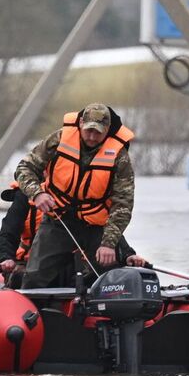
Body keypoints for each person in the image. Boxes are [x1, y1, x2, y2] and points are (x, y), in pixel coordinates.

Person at [13, 103, 138, 289]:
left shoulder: (119, 156)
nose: (92, 137)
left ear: (107, 131)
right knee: (35, 277)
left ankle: (102, 314)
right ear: (80, 123)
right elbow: (25, 168)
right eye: (89, 131)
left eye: (98, 133)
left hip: (96, 226)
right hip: (58, 221)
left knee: (110, 279)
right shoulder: (59, 140)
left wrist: (109, 244)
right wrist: (37, 193)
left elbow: (123, 204)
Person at [0, 182, 146, 287]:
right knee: (24, 278)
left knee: (102, 275)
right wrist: (6, 257)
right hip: (31, 264)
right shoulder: (25, 196)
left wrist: (127, 254)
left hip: (71, 266)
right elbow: (8, 231)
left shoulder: (78, 194)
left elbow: (101, 225)